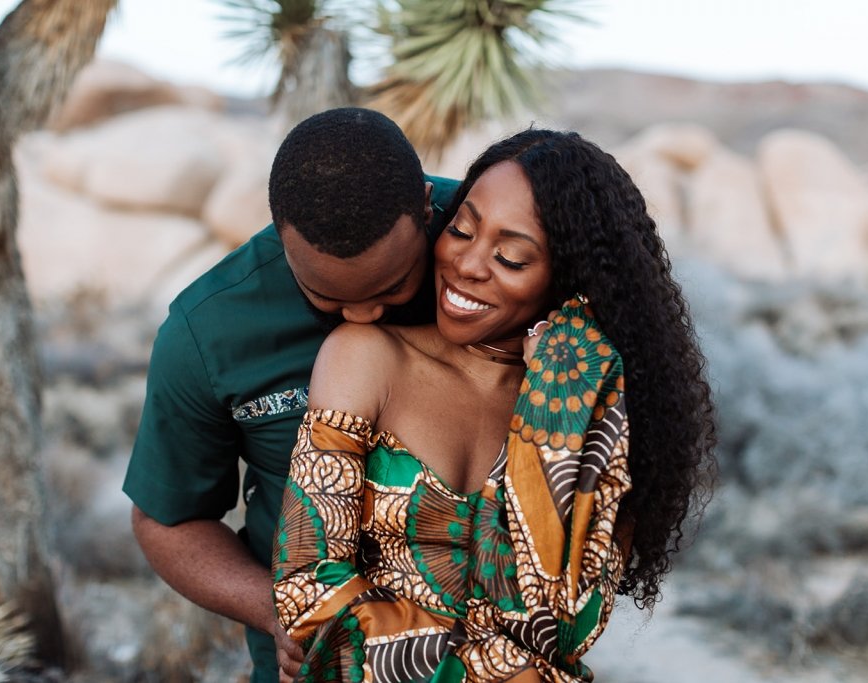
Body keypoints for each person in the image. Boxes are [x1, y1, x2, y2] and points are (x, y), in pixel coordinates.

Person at [272, 129, 716, 682]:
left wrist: (554, 402)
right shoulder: (367, 359)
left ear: (566, 275)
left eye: (511, 256)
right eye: (461, 228)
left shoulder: (581, 409)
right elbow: (309, 588)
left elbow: (567, 623)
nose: (468, 263)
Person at [123, 107, 462, 683]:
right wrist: (281, 608)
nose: (361, 317)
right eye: (325, 297)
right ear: (280, 233)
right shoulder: (208, 331)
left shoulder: (490, 239)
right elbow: (168, 522)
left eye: (392, 288)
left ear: (427, 206)